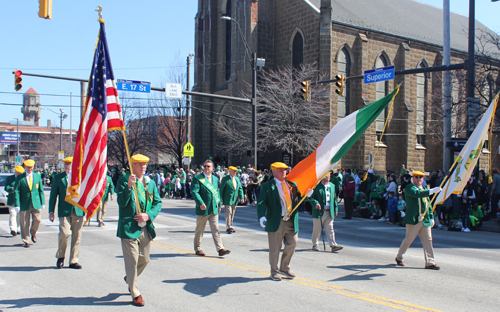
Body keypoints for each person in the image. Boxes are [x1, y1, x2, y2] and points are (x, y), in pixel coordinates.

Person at [117, 154, 162, 307]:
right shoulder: (124, 180)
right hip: (129, 228)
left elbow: (157, 203)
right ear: (132, 166)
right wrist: (129, 187)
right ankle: (135, 293)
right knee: (132, 260)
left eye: (145, 164)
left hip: (145, 227)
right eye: (139, 164)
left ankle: (129, 278)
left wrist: (148, 215)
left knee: (145, 259)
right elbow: (122, 203)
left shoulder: (150, 183)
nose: (143, 167)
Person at [257, 162, 300, 281]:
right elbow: (261, 202)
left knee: (293, 242)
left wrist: (310, 196)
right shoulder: (267, 186)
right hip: (276, 220)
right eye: (280, 170)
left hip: (290, 219)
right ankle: (274, 271)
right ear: (274, 172)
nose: (284, 172)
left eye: (285, 170)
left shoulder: (291, 184)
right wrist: (261, 216)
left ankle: (284, 267)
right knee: (275, 247)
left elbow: (299, 197)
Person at [395, 171, 442, 269]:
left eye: (421, 177)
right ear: (413, 178)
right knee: (409, 239)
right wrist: (431, 191)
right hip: (414, 220)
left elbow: (427, 205)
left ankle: (430, 262)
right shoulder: (409, 188)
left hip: (424, 219)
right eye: (416, 177)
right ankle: (399, 257)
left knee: (428, 240)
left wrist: (431, 217)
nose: (419, 179)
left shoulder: (424, 188)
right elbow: (417, 194)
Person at [49, 157, 85, 269]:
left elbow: (85, 194)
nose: (67, 166)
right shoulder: (59, 178)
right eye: (65, 164)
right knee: (64, 234)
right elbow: (53, 195)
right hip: (64, 210)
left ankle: (73, 261)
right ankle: (61, 256)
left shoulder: (81, 177)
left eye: (69, 164)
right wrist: (51, 211)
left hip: (78, 210)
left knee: (77, 236)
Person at [192, 159, 231, 257]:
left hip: (213, 208)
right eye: (205, 166)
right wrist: (200, 202)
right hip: (203, 209)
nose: (206, 168)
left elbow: (216, 192)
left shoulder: (215, 178)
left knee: (215, 229)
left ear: (212, 168)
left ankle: (220, 248)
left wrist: (218, 204)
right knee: (200, 230)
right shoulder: (197, 178)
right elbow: (195, 192)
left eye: (208, 166)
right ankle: (198, 248)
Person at [308, 172, 343, 252]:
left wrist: (335, 208)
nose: (326, 179)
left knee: (330, 228)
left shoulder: (332, 186)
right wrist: (315, 203)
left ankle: (333, 245)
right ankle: (315, 244)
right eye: (324, 178)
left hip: (329, 211)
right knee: (317, 229)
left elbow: (334, 198)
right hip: (319, 211)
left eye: (328, 178)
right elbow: (310, 197)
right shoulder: (316, 186)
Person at [14, 159, 45, 248]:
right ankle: (26, 240)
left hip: (36, 202)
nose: (29, 169)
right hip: (24, 203)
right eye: (28, 167)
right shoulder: (20, 177)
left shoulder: (37, 176)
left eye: (31, 167)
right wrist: (17, 204)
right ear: (25, 167)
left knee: (38, 220)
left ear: (33, 167)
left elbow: (40, 190)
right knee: (24, 223)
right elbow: (16, 190)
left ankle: (33, 233)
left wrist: (42, 202)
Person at [220, 166, 244, 234]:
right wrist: (221, 199)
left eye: (236, 171)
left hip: (235, 199)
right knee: (228, 212)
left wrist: (241, 197)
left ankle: (230, 225)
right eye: (233, 171)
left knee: (232, 212)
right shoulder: (225, 179)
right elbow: (221, 189)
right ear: (230, 171)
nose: (235, 172)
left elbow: (240, 188)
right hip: (227, 199)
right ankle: (228, 227)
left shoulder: (237, 179)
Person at [5, 166, 24, 236]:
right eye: (18, 172)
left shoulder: (23, 178)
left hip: (21, 200)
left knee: (19, 216)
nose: (20, 174)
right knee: (13, 214)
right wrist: (12, 189)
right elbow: (6, 187)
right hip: (12, 200)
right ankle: (13, 229)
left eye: (21, 173)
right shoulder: (10, 178)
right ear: (15, 171)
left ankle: (18, 228)